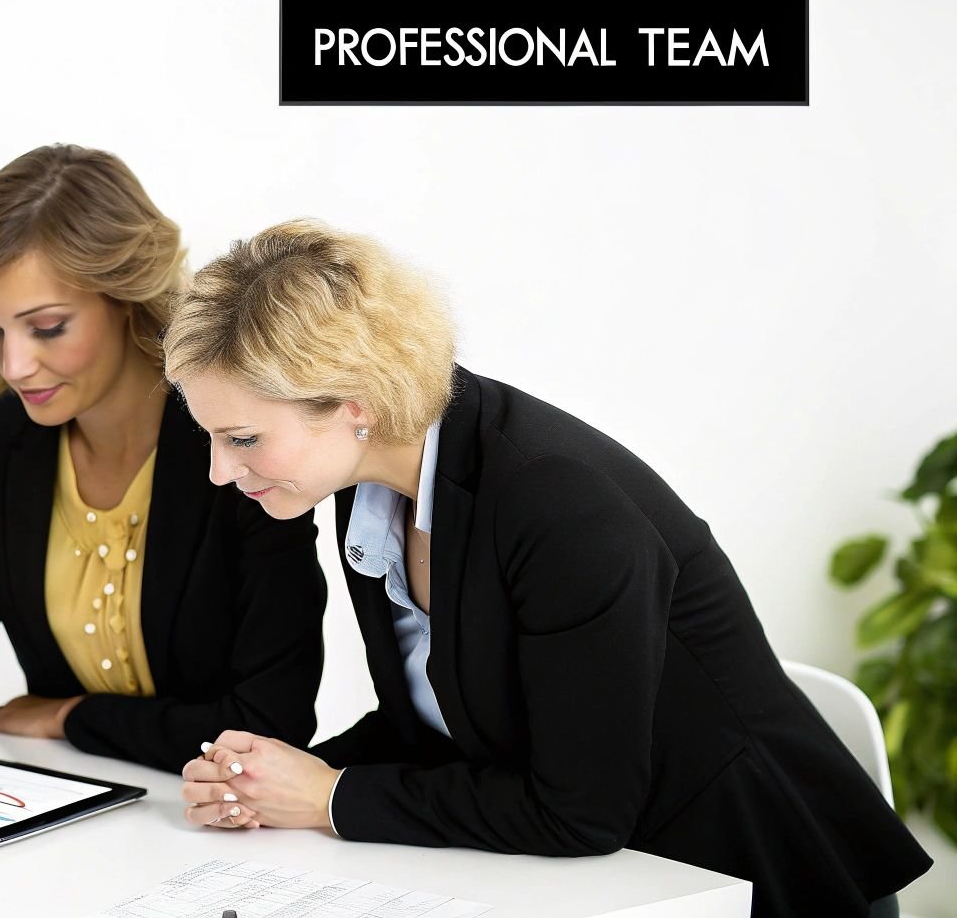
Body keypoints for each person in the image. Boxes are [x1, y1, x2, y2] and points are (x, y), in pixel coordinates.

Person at [166, 221, 931, 918]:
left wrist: (331, 798)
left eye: (242, 440)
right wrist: (272, 780)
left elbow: (580, 811)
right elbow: (448, 721)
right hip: (603, 877)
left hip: (746, 878)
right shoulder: (365, 486)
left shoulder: (559, 507)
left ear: (353, 404)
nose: (219, 473)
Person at [0, 146, 327, 775]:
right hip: (68, 808)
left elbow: (272, 724)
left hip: (218, 826)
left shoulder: (236, 438)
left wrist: (68, 716)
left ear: (126, 296)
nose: (14, 365)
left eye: (47, 326)